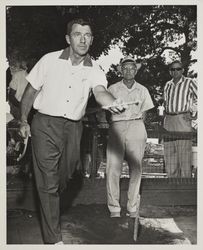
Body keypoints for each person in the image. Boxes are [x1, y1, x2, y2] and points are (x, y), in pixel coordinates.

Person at [19, 18, 126, 244]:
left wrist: (111, 102)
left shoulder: (94, 68)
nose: (83, 39)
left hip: (73, 128)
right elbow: (29, 92)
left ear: (92, 40)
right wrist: (23, 120)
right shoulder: (49, 60)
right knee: (48, 183)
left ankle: (50, 192)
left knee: (66, 175)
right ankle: (53, 239)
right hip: (45, 124)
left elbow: (99, 91)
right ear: (68, 38)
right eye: (78, 34)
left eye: (87, 35)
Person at [106, 56, 154, 218]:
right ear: (120, 70)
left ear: (136, 70)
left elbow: (145, 112)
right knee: (113, 168)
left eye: (131, 68)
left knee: (136, 168)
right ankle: (114, 208)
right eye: (125, 68)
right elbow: (106, 110)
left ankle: (132, 207)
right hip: (117, 126)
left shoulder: (143, 90)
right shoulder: (112, 88)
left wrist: (137, 125)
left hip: (136, 125)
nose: (128, 71)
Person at [163, 60, 197, 177]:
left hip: (182, 119)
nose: (175, 71)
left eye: (178, 69)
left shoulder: (190, 82)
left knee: (184, 155)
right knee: (169, 153)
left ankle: (185, 186)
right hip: (168, 120)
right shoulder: (167, 84)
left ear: (182, 70)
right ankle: (172, 185)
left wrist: (193, 113)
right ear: (169, 71)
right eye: (173, 69)